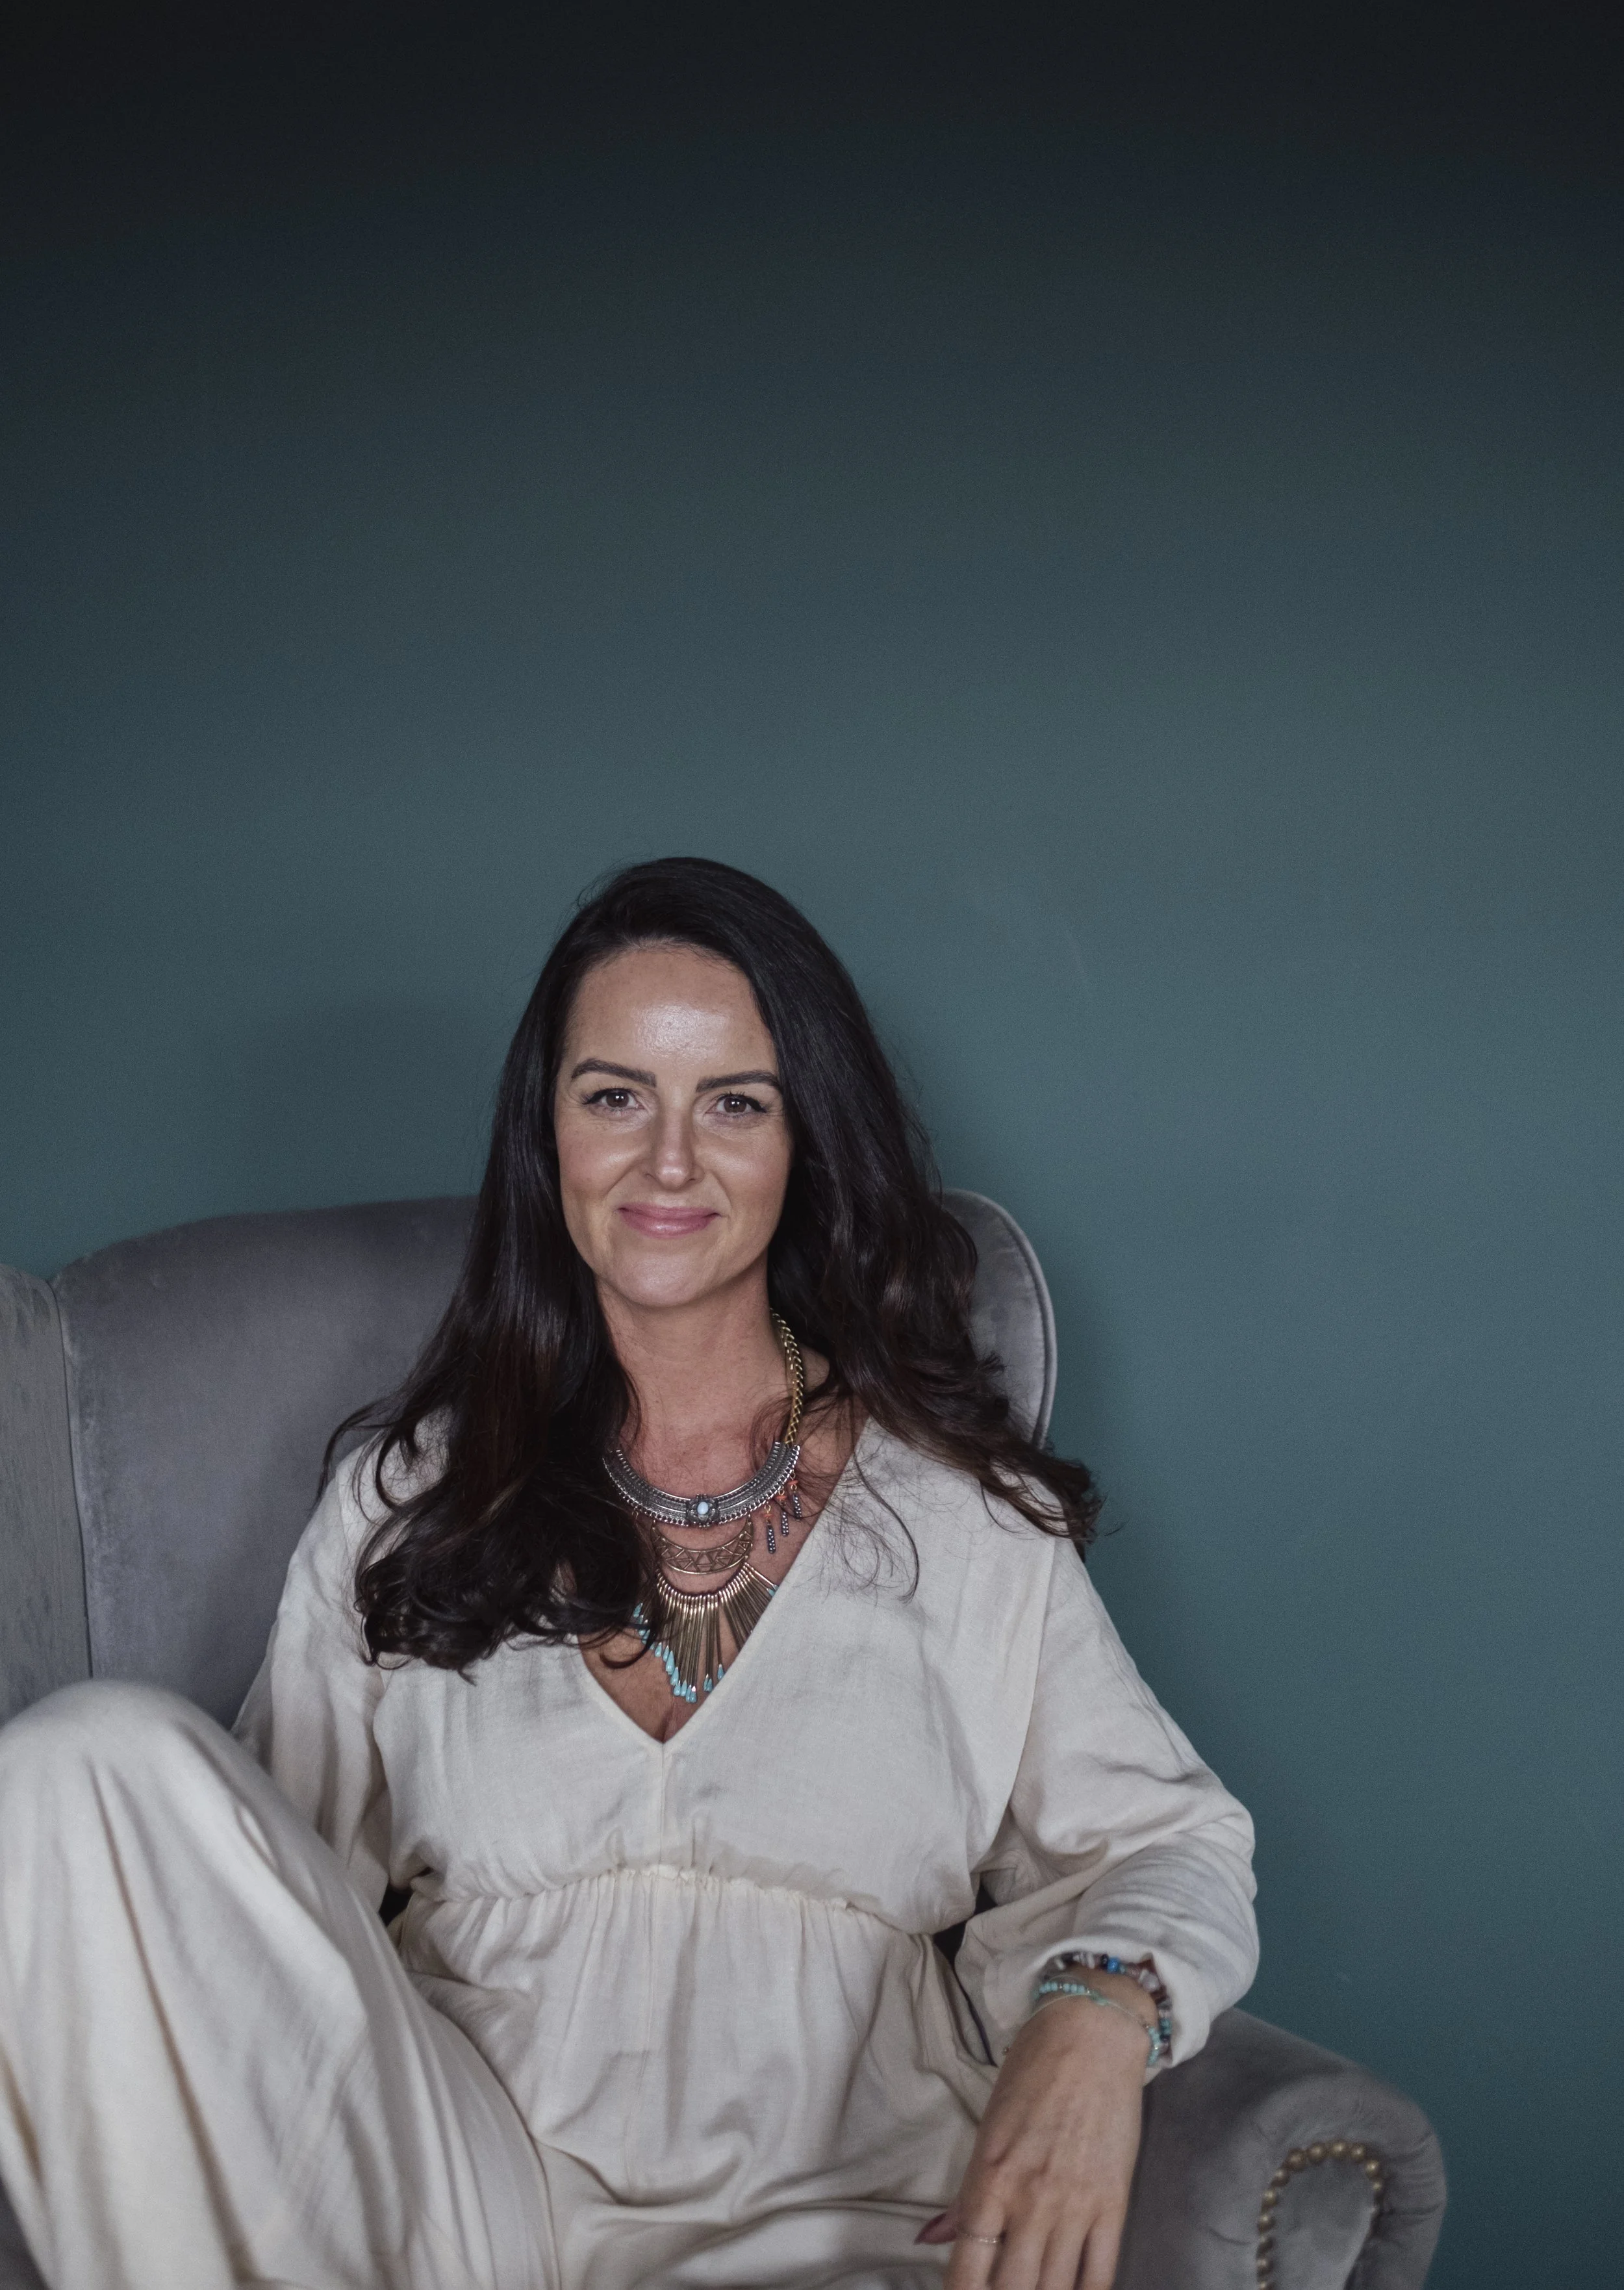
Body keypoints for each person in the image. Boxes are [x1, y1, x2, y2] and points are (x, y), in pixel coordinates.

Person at [0, 858, 1257, 2290]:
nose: (669, 1163)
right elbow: (267, 1908)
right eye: (614, 1097)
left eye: (733, 1102)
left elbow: (1170, 1844)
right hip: (464, 2208)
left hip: (839, 2206)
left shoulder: (959, 1513)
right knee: (75, 1763)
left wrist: (1099, 2016)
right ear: (549, 1138)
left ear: (804, 1143)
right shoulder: (411, 1495)